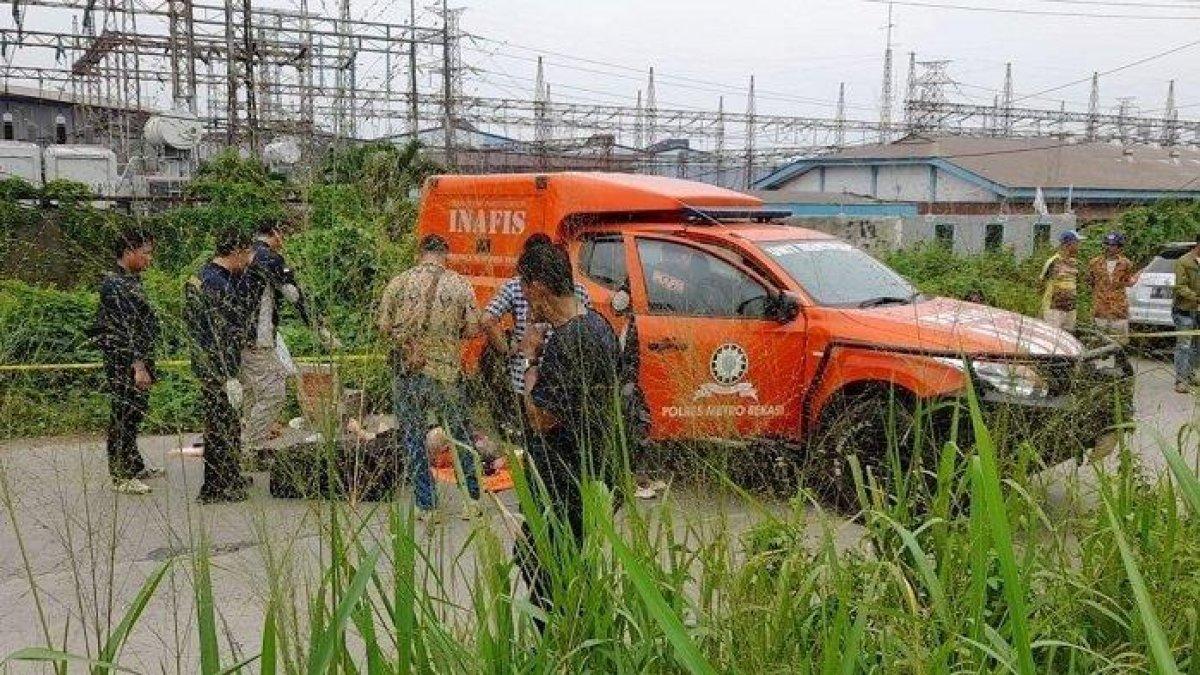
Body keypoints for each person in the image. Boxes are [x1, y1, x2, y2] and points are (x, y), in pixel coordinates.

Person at [512, 241, 623, 632]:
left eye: (524, 289)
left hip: (560, 482)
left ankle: (558, 646)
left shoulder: (567, 342)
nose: (525, 300)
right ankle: (577, 638)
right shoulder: (599, 326)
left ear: (539, 287)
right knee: (568, 568)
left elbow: (541, 417)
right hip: (586, 474)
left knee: (543, 569)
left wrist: (529, 358)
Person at [377, 234, 482, 522]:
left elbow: (384, 326)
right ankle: (472, 501)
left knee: (413, 436)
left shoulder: (398, 283)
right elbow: (474, 328)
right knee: (460, 435)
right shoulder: (460, 284)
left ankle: (428, 505)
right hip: (447, 372)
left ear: (420, 253)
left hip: (408, 371)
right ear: (445, 255)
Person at [238, 218, 339, 468]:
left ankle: (244, 447)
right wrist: (319, 329)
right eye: (283, 234)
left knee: (252, 393)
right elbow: (293, 294)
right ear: (275, 232)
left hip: (238, 338)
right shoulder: (268, 258)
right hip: (258, 339)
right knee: (274, 394)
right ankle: (251, 447)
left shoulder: (243, 255)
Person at [184, 228, 256, 504]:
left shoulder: (203, 276)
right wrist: (228, 376)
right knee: (220, 426)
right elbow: (219, 335)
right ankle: (215, 487)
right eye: (247, 253)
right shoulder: (218, 285)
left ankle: (230, 476)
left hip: (209, 363)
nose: (249, 260)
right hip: (218, 367)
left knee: (228, 423)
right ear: (236, 251)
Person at [482, 234, 591, 410]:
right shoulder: (577, 290)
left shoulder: (514, 286)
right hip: (561, 382)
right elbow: (586, 326)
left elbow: (487, 319)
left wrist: (508, 349)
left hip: (522, 376)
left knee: (526, 419)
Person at [93, 227, 163, 495]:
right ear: (128, 252)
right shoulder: (114, 284)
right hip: (125, 362)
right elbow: (123, 329)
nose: (149, 259)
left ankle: (134, 465)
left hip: (140, 357)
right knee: (124, 414)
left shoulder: (131, 281)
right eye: (146, 253)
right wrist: (138, 365)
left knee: (135, 413)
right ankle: (121, 474)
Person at [1088, 232, 1137, 365]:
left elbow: (1128, 281)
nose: (1110, 248)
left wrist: (1132, 281)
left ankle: (1120, 368)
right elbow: (1090, 282)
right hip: (1100, 309)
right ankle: (1092, 369)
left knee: (1120, 343)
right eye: (1108, 245)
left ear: (1119, 247)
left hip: (1118, 309)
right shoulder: (1094, 263)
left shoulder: (1126, 263)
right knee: (1096, 342)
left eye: (1114, 245)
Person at [1171, 234, 1200, 393]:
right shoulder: (1184, 261)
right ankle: (1181, 381)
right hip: (1184, 310)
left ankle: (1191, 374)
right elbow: (1180, 287)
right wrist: (1196, 298)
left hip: (1198, 311)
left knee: (1197, 345)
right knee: (1184, 345)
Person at [1040, 230, 1084, 333]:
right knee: (1053, 334)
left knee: (1068, 335)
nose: (1079, 246)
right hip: (1054, 307)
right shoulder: (1053, 261)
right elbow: (1041, 282)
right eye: (1077, 243)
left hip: (1070, 307)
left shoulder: (1075, 263)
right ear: (1068, 244)